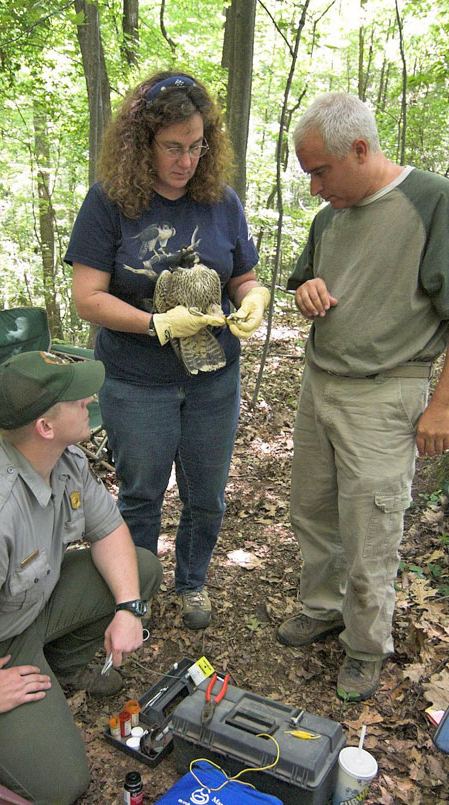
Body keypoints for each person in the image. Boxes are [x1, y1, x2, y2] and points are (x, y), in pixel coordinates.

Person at [0, 350, 162, 804]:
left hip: (31, 606)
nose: (89, 400)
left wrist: (128, 609)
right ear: (45, 426)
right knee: (59, 785)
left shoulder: (62, 459)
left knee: (139, 569)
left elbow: (110, 529)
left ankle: (58, 665)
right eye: (77, 398)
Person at [65, 71, 269, 630]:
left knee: (206, 495)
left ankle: (193, 580)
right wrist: (155, 322)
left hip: (214, 377)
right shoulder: (109, 202)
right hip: (136, 380)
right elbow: (88, 299)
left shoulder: (221, 201)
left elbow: (243, 275)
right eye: (173, 147)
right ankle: (137, 590)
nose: (186, 160)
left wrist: (253, 297)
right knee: (142, 494)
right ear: (144, 143)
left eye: (197, 146)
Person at [277, 92, 449, 702]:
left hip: (387, 391)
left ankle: (365, 645)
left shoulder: (432, 201)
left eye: (321, 172)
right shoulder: (329, 217)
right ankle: (322, 606)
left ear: (359, 148)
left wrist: (443, 404)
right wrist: (308, 291)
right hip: (320, 381)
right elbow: (306, 283)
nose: (317, 189)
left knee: (371, 529)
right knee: (314, 510)